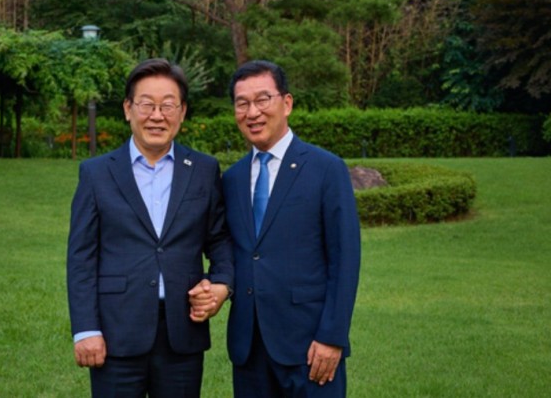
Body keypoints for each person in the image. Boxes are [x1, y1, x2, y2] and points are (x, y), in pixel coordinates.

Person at [66, 58, 234, 398]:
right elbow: (82, 258)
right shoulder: (97, 174)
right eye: (146, 104)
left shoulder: (203, 170)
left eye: (168, 105)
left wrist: (221, 285)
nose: (157, 116)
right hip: (116, 332)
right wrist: (86, 330)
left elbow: (219, 240)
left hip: (182, 333)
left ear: (182, 112)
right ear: (128, 109)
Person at [220, 60, 361, 397]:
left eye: (262, 99)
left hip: (310, 346)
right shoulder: (232, 179)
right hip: (249, 348)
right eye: (242, 103)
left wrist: (332, 336)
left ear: (287, 103)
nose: (252, 112)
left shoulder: (326, 169)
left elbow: (345, 258)